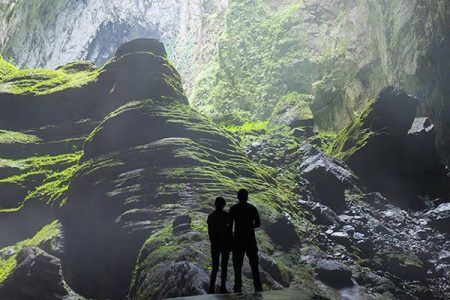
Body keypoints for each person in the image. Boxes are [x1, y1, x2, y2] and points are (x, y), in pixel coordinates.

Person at [229, 189, 263, 293]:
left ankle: (237, 287)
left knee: (237, 265)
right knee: (254, 264)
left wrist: (231, 239)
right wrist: (249, 226)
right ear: (247, 197)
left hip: (238, 240)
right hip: (250, 239)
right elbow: (258, 223)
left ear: (238, 197)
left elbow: (230, 226)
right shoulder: (252, 209)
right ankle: (258, 287)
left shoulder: (233, 209)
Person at [207, 197, 232, 294]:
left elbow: (210, 231)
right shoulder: (226, 215)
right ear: (223, 205)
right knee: (224, 266)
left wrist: (212, 242)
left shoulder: (211, 216)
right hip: (225, 243)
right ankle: (223, 287)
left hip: (215, 244)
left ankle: (211, 288)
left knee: (215, 267)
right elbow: (230, 229)